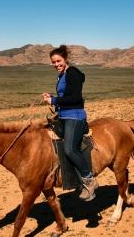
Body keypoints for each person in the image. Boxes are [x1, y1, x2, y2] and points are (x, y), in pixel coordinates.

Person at [42, 45, 99, 201]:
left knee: (70, 149)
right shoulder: (61, 76)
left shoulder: (72, 74)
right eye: (53, 62)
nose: (56, 64)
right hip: (63, 115)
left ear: (65, 59)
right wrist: (52, 99)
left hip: (75, 116)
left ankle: (89, 180)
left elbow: (75, 98)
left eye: (59, 61)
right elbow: (65, 96)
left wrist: (54, 100)